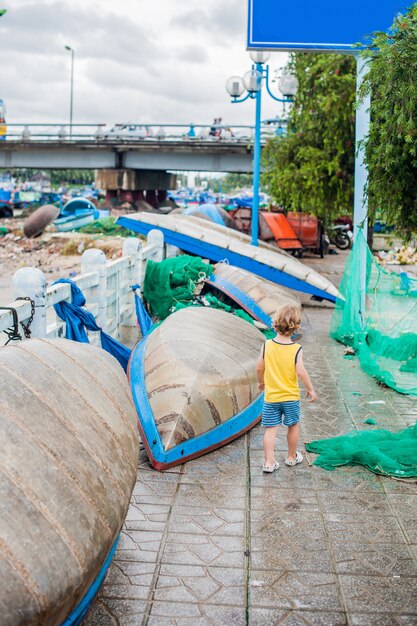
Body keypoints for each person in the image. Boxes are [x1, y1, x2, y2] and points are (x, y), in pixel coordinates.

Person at [256, 305, 317, 473]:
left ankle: (269, 463)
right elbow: (301, 372)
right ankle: (291, 457)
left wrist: (261, 382)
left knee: (271, 429)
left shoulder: (267, 345)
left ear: (275, 323)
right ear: (296, 326)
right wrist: (310, 389)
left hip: (272, 397)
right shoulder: (296, 349)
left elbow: (259, 368)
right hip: (290, 397)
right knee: (293, 426)